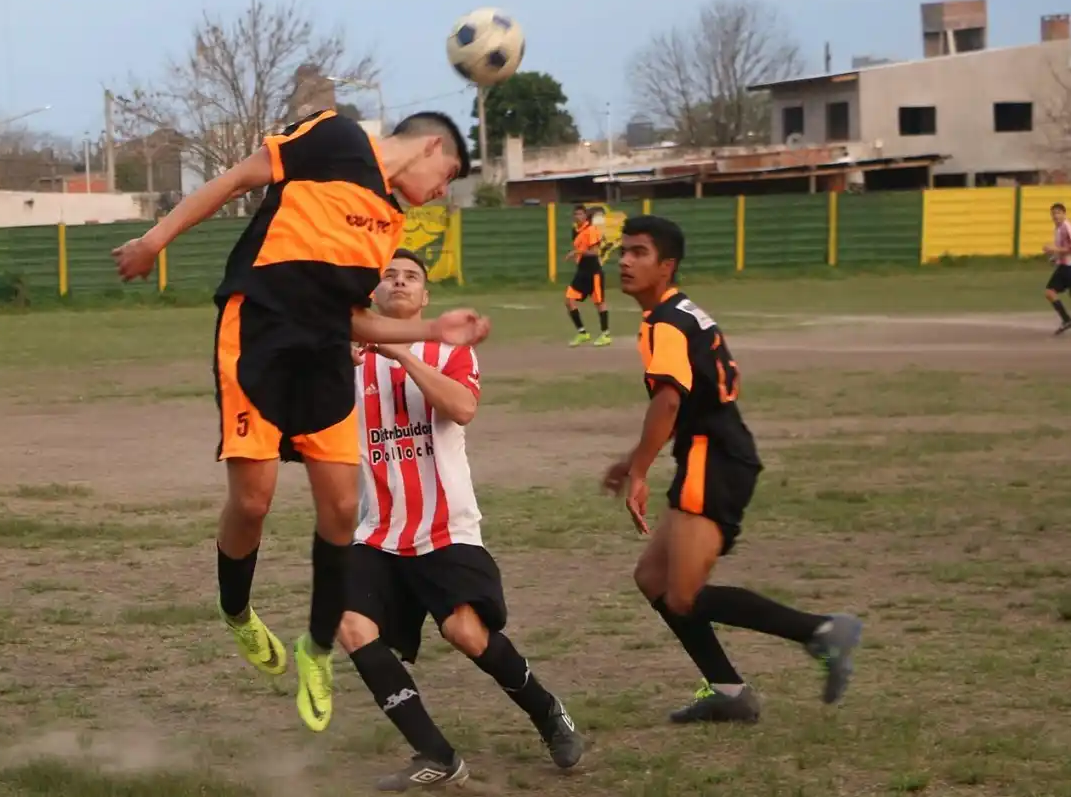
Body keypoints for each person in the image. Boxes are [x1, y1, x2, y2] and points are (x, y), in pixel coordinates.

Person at [111, 109, 490, 735]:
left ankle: (317, 647)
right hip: (257, 334)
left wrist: (431, 328)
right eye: (448, 175)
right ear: (431, 147)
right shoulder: (336, 136)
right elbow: (237, 178)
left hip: (324, 356)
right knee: (253, 502)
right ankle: (237, 610)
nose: (442, 191)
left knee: (340, 509)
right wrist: (156, 240)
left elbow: (352, 319)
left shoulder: (389, 220)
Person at [338, 248, 584, 791]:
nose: (399, 282)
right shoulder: (346, 356)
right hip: (377, 530)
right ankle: (436, 754)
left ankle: (547, 712)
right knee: (351, 626)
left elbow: (462, 408)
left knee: (465, 632)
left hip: (445, 527)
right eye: (389, 275)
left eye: (411, 277)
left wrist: (400, 353)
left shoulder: (448, 350)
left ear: (425, 296)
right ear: (374, 292)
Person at [602, 215, 863, 724]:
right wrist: (632, 460)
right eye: (623, 252)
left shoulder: (665, 323)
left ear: (666, 265)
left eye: (639, 253)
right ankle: (728, 691)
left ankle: (821, 631)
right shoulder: (676, 312)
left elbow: (669, 402)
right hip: (711, 451)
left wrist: (639, 472)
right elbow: (686, 401)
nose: (626, 262)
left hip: (714, 457)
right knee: (653, 577)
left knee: (683, 596)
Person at [564, 204, 611, 347]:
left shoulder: (591, 230)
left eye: (580, 214)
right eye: (576, 214)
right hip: (582, 271)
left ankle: (605, 334)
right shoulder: (575, 231)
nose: (578, 217)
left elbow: (594, 252)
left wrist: (576, 252)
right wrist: (577, 255)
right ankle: (582, 333)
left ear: (585, 216)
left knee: (599, 302)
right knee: (569, 300)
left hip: (593, 271)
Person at [1041, 202, 1071, 336]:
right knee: (1050, 293)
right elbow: (1063, 249)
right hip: (1065, 266)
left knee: (1050, 292)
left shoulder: (1067, 227)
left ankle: (1066, 320)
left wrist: (1054, 249)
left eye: (1058, 213)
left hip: (1069, 267)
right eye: (1053, 213)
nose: (1056, 216)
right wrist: (1055, 258)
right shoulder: (1058, 229)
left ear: (1064, 214)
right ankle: (1066, 320)